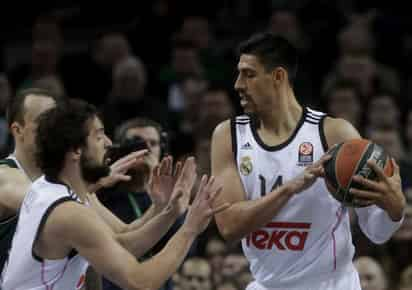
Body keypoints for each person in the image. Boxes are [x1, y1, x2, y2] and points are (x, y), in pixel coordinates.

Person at [211, 32, 406, 290]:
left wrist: (395, 208)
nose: (237, 84)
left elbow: (376, 231)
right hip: (266, 284)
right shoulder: (228, 136)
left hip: (331, 284)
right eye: (239, 74)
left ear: (278, 77)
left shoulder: (333, 133)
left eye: (249, 74)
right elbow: (229, 226)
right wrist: (291, 187)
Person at [1, 98, 228, 290]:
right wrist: (190, 228)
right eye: (99, 136)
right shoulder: (66, 213)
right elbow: (140, 281)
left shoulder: (53, 189)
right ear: (76, 151)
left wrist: (170, 211)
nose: (109, 143)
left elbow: (123, 243)